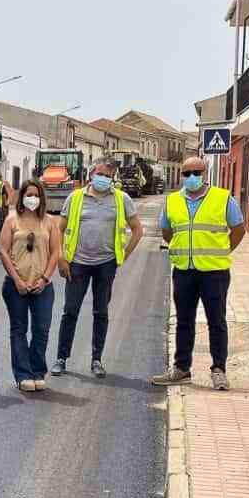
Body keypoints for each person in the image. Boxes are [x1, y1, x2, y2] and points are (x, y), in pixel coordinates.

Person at [151, 156, 246, 391]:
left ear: (204, 173)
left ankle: (219, 370)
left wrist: (222, 251)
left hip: (214, 271)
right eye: (187, 173)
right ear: (182, 175)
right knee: (184, 321)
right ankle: (181, 369)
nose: (191, 177)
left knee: (217, 321)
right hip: (184, 270)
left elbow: (238, 229)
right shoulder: (172, 200)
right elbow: (166, 231)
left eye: (196, 172)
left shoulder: (223, 198)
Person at [51, 157, 144, 378]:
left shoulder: (122, 199)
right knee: (70, 311)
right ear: (91, 174)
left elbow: (137, 230)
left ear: (113, 178)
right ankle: (61, 358)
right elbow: (58, 229)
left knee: (100, 312)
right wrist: (61, 258)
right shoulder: (75, 198)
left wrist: (122, 257)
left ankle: (96, 360)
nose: (104, 179)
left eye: (108, 176)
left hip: (106, 265)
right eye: (100, 174)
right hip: (77, 264)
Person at [0, 179, 61, 392]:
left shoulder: (50, 222)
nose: (32, 198)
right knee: (19, 329)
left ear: (41, 198)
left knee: (41, 329)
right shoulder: (11, 221)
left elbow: (55, 253)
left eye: (36, 195)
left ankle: (37, 371)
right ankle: (23, 374)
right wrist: (17, 279)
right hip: (16, 285)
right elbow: (3, 251)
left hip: (42, 286)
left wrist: (44, 279)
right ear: (22, 197)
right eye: (28, 194)